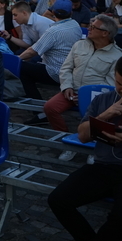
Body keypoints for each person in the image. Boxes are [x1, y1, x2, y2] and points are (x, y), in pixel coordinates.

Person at [47, 60, 122, 241]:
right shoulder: (103, 100)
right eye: (119, 83)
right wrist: (106, 115)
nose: (121, 89)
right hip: (103, 166)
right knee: (58, 200)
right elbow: (82, 136)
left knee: (119, 219)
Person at [45, 15, 121, 160]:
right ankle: (69, 139)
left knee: (99, 116)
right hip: (72, 91)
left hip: (96, 96)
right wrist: (67, 86)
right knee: (50, 107)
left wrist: (86, 95)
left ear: (105, 33)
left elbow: (111, 84)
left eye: (93, 27)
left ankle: (94, 143)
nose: (88, 29)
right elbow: (66, 68)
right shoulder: (79, 45)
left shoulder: (117, 56)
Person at [19, 0, 83, 103]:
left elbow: (33, 51)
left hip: (55, 72)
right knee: (30, 63)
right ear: (71, 13)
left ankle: (36, 107)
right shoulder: (75, 25)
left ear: (53, 12)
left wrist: (17, 59)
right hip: (69, 70)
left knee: (21, 68)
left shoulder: (53, 31)